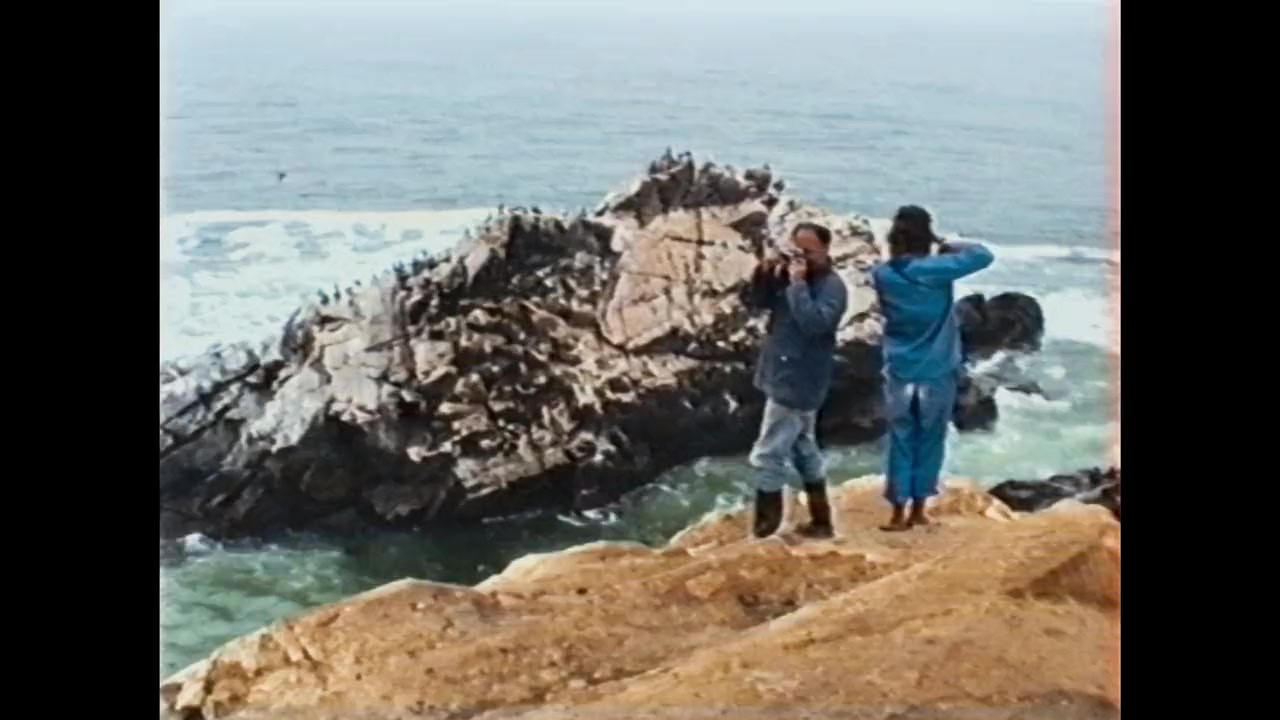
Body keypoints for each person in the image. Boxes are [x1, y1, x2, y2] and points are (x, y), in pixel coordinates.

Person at [871, 205, 994, 531]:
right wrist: (947, 244)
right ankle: (918, 509)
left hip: (900, 368)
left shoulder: (883, 275)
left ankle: (897, 511)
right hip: (936, 370)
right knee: (930, 440)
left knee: (901, 439)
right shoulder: (937, 269)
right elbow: (983, 255)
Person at [744, 222, 848, 539]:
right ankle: (821, 520)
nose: (801, 258)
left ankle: (766, 529)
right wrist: (765, 273)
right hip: (781, 373)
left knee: (768, 453)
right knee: (804, 449)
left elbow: (815, 324)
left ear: (825, 250)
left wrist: (798, 284)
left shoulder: (833, 287)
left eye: (808, 252)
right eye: (796, 251)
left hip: (799, 381)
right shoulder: (788, 278)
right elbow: (756, 302)